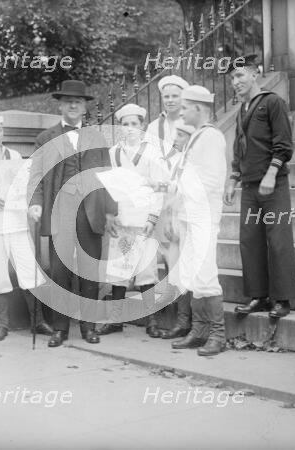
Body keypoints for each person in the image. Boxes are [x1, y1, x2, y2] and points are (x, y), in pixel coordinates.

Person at [27, 80, 117, 348]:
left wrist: (111, 211)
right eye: (68, 101)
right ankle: (60, 328)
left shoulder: (97, 138)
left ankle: (89, 327)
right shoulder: (46, 138)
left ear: (85, 106)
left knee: (90, 269)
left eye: (78, 101)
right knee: (60, 270)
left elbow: (108, 177)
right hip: (60, 211)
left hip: (90, 211)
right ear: (61, 105)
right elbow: (37, 177)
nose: (73, 105)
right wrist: (35, 202)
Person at [151, 85, 227, 356]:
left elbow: (212, 182)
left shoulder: (211, 137)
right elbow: (186, 177)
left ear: (198, 108)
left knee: (206, 275)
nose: (180, 112)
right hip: (190, 217)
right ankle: (199, 330)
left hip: (203, 218)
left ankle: (218, 334)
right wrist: (167, 189)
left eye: (184, 107)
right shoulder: (197, 138)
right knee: (192, 275)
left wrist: (180, 193)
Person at [224, 55, 295, 319]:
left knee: (278, 240)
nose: (236, 82)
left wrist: (271, 173)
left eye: (240, 75)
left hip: (273, 185)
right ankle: (258, 296)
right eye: (232, 78)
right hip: (250, 188)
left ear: (255, 74)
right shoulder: (242, 110)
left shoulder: (272, 102)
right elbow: (238, 149)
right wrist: (233, 179)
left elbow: (284, 144)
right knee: (250, 240)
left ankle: (282, 299)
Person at [0, 113, 53, 341]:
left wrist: (27, 204)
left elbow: (26, 185)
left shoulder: (14, 155)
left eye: (0, 129)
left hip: (16, 220)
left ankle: (37, 321)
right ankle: (2, 323)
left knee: (28, 267)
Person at [96, 103, 167, 338]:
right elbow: (108, 186)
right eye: (125, 125)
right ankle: (116, 319)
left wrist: (153, 217)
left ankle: (152, 320)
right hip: (123, 218)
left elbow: (159, 187)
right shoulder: (114, 152)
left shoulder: (152, 152)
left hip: (144, 219)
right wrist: (110, 214)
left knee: (146, 270)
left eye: (134, 124)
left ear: (143, 126)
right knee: (119, 269)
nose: (129, 129)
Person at [157, 120, 195, 340]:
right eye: (176, 134)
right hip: (176, 221)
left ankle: (197, 321)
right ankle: (182, 320)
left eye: (181, 135)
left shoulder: (195, 162)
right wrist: (170, 219)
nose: (175, 139)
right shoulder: (175, 162)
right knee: (178, 271)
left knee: (192, 270)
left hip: (192, 221)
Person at [146, 75, 190, 170]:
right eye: (166, 96)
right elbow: (148, 158)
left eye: (175, 96)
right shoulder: (153, 127)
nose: (170, 100)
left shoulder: (191, 125)